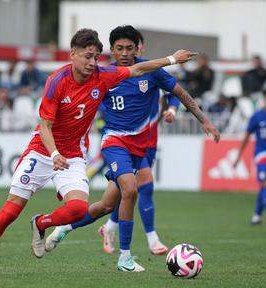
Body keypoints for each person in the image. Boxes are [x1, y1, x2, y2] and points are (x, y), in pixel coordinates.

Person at [0, 28, 197, 272]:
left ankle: (42, 223)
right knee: (11, 210)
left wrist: (171, 60)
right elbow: (45, 126)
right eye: (87, 56)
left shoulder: (103, 76)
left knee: (77, 209)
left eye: (96, 56)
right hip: (43, 151)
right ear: (73, 54)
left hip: (73, 155)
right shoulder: (57, 81)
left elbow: (138, 69)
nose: (92, 62)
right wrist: (54, 154)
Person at [45, 25, 220, 272]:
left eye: (129, 48)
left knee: (106, 206)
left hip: (140, 147)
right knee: (131, 189)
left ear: (138, 48)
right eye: (119, 48)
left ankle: (65, 228)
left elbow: (179, 93)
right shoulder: (102, 75)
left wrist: (205, 121)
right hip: (114, 141)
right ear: (112, 50)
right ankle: (126, 257)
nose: (124, 53)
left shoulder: (151, 71)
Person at [233, 83, 266, 225]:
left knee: (264, 186)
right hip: (261, 156)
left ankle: (256, 215)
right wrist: (238, 156)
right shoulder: (257, 116)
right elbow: (246, 137)